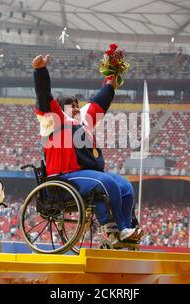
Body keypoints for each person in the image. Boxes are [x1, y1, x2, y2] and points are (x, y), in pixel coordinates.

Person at [32, 54, 142, 244]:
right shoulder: (54, 120)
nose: (76, 108)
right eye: (71, 106)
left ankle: (128, 227)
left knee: (125, 186)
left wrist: (111, 80)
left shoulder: (81, 123)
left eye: (77, 105)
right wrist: (40, 72)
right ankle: (119, 229)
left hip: (85, 175)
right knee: (108, 183)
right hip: (64, 177)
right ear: (60, 108)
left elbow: (99, 102)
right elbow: (44, 96)